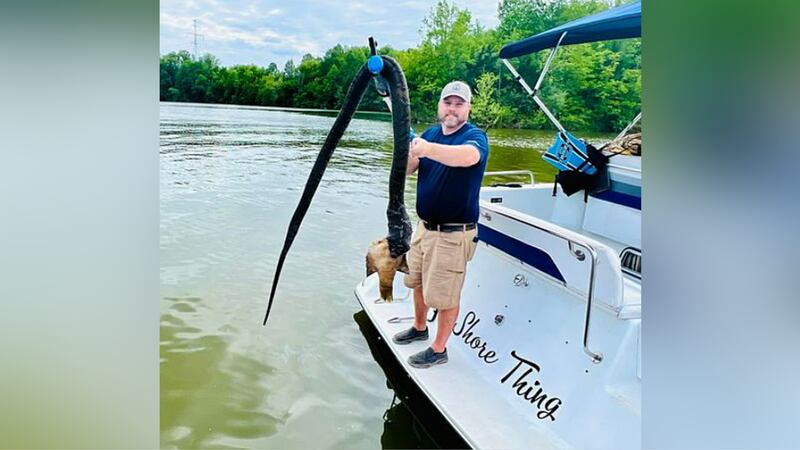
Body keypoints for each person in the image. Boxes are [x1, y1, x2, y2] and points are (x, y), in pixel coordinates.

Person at [392, 80, 489, 368]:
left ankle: (439, 349)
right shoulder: (430, 134)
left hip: (453, 234)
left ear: (468, 108)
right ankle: (420, 327)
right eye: (448, 102)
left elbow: (468, 158)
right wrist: (408, 149)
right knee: (417, 281)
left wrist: (426, 148)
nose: (452, 109)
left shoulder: (475, 136)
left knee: (445, 296)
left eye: (459, 104)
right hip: (424, 228)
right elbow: (408, 169)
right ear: (440, 105)